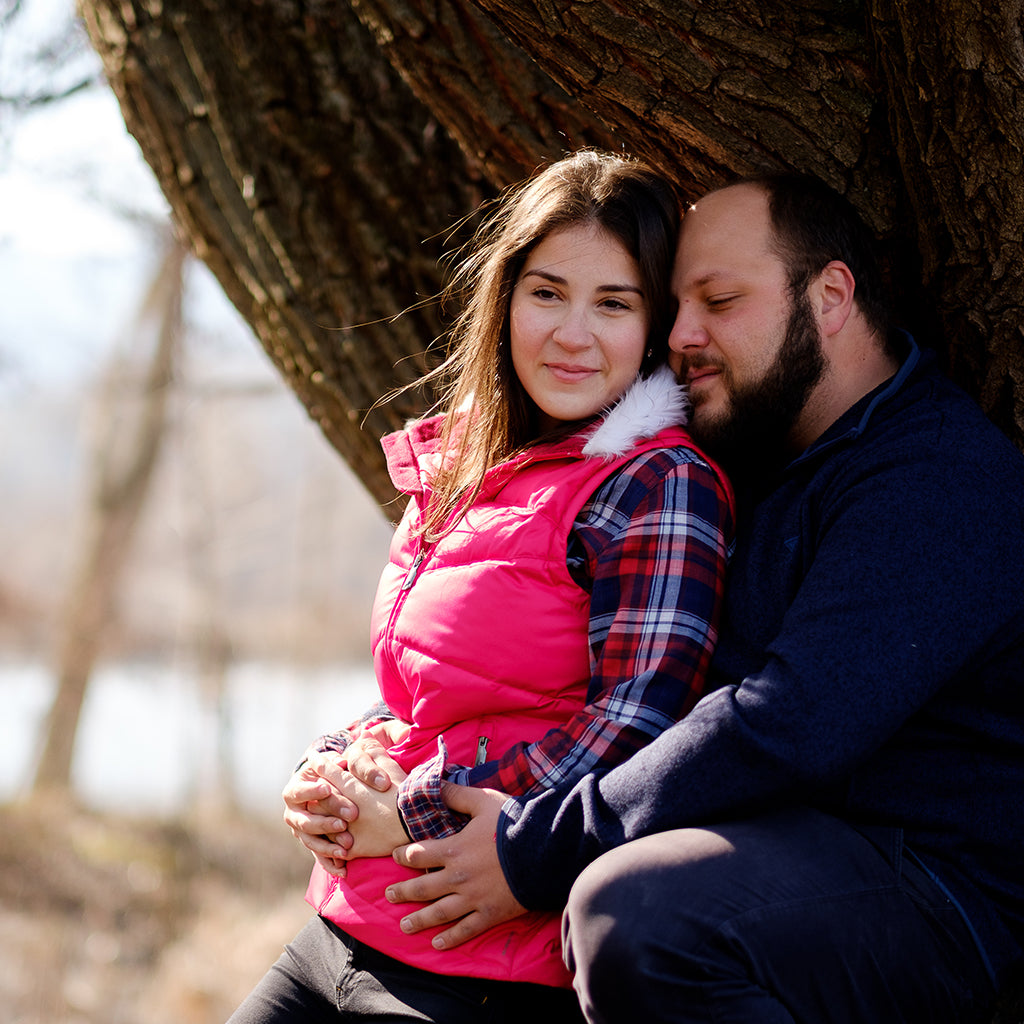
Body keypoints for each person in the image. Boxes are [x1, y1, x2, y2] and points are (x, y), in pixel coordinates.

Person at [357, 173, 1024, 1023]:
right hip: (780, 837)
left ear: (830, 296)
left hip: (929, 881)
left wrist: (537, 847)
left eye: (718, 300)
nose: (681, 337)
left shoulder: (937, 479)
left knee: (633, 913)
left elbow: (790, 721)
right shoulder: (770, 449)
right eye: (673, 308)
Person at [230, 149, 734, 1023]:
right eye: (546, 293)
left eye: (612, 304)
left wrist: (409, 808)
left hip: (487, 967)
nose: (571, 333)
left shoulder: (657, 485)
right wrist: (335, 768)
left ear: (654, 328)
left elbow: (633, 734)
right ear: (504, 299)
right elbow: (432, 696)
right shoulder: (472, 464)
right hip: (340, 930)